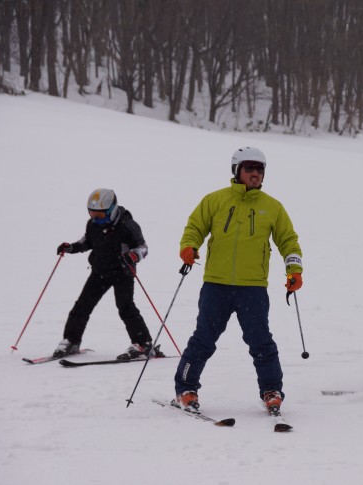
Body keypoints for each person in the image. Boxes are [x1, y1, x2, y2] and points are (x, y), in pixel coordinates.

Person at [174, 146, 303, 414]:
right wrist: (189, 246)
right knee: (203, 339)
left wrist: (294, 270)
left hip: (252, 287)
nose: (255, 174)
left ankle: (271, 390)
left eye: (260, 169)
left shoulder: (272, 207)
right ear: (237, 171)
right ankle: (185, 388)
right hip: (216, 285)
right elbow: (195, 228)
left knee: (260, 341)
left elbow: (288, 241)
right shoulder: (215, 200)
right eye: (250, 169)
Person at [53, 189, 161, 360]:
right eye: (92, 214)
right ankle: (71, 341)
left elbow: (143, 248)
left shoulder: (128, 225)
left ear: (112, 210)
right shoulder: (93, 224)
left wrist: (133, 255)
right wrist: (72, 247)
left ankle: (143, 344)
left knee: (125, 307)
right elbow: (87, 241)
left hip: (123, 272)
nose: (96, 219)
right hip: (100, 271)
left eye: (101, 215)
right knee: (82, 306)